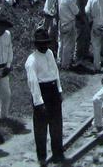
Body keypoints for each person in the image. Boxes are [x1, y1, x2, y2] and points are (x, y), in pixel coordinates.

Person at [25, 28, 64, 167]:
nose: (44, 46)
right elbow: (33, 82)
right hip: (42, 92)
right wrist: (39, 102)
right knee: (41, 127)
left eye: (46, 43)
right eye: (41, 44)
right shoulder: (31, 60)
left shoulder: (50, 54)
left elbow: (56, 72)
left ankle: (58, 153)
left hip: (53, 89)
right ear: (36, 45)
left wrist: (59, 90)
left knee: (56, 124)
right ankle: (42, 156)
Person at [56, 0, 80, 69]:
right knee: (68, 45)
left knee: (61, 43)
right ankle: (65, 64)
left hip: (61, 22)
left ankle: (59, 61)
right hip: (69, 22)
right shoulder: (69, 0)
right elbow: (76, 12)